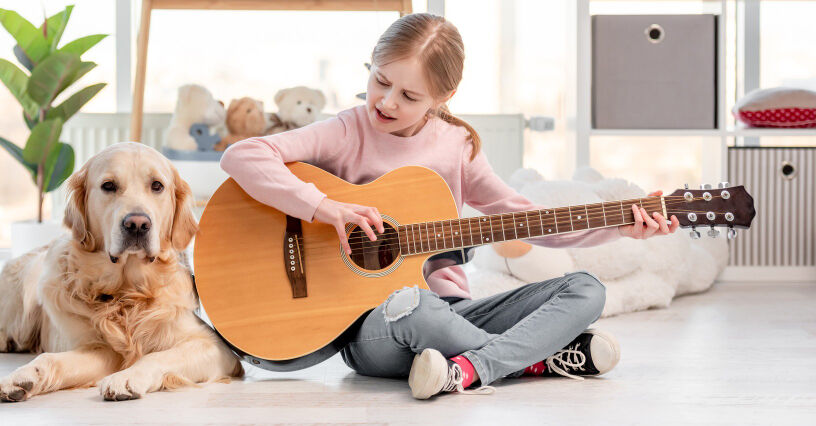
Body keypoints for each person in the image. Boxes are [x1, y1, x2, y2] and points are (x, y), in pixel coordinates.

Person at [218, 13, 678, 400]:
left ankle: (470, 368)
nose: (386, 101)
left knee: (586, 289)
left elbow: (520, 217)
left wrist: (619, 225)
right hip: (374, 331)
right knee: (414, 305)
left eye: (409, 96)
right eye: (380, 81)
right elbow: (242, 155)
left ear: (443, 99)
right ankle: (536, 359)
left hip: (454, 315)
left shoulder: (456, 146)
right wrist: (324, 207)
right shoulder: (347, 130)